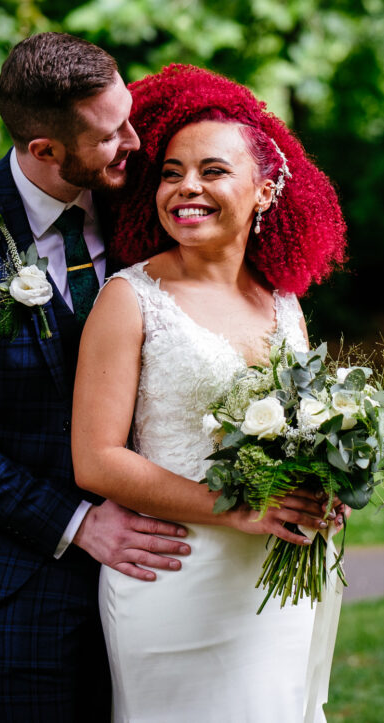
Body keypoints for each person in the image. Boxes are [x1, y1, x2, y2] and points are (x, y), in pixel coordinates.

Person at [0, 33, 193, 722]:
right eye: (110, 134)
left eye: (128, 117)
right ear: (45, 150)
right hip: (23, 573)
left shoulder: (147, 200)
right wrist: (76, 523)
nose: (135, 142)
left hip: (162, 563)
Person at [71, 64, 350, 722]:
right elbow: (97, 460)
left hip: (280, 578)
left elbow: (302, 430)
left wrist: (328, 482)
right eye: (172, 172)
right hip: (174, 575)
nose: (186, 187)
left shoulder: (283, 303)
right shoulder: (130, 298)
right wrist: (238, 510)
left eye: (212, 170)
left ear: (265, 189)